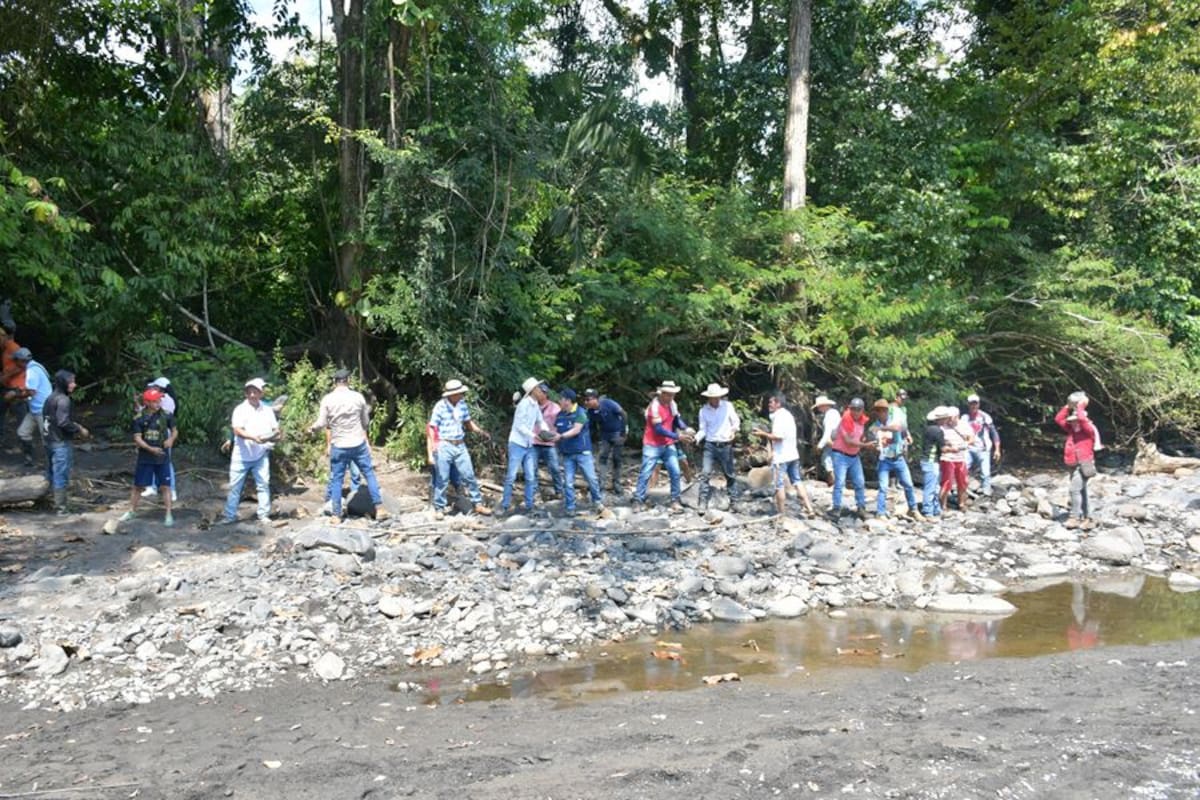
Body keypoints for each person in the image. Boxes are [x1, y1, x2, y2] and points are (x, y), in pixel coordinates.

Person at [309, 369, 389, 523]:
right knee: (369, 474)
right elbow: (365, 422)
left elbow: (322, 423)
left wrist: (312, 428)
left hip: (339, 444)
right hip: (358, 443)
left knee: (337, 479)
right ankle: (379, 508)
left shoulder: (327, 399)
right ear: (348, 381)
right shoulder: (358, 397)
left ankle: (336, 515)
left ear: (334, 382)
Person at [427, 378, 492, 520]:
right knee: (442, 478)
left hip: (460, 444)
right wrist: (432, 448)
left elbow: (468, 422)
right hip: (445, 444)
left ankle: (477, 503)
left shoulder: (462, 405)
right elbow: (432, 427)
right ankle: (439, 507)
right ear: (451, 395)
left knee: (469, 475)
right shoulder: (440, 406)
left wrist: (480, 431)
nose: (462, 395)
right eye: (459, 393)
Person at [217, 378, 278, 524]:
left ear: (261, 393)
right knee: (235, 487)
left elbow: (275, 429)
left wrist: (276, 436)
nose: (252, 395)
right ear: (246, 393)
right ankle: (230, 516)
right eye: (249, 392)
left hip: (261, 453)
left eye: (255, 392)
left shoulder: (267, 410)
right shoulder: (240, 409)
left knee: (263, 485)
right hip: (241, 455)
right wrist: (253, 437)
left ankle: (263, 515)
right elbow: (237, 430)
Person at [632, 380, 694, 512]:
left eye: (673, 394)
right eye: (669, 394)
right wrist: (678, 436)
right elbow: (658, 429)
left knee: (675, 471)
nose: (671, 397)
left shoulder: (672, 404)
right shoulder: (654, 407)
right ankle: (638, 500)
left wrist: (686, 428)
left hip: (668, 443)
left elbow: (676, 420)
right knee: (646, 472)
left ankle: (675, 500)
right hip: (652, 444)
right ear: (662, 393)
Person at [120, 387, 177, 527]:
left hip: (162, 456)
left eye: (159, 400)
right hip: (145, 456)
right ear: (147, 402)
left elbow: (175, 431)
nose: (158, 403)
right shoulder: (139, 418)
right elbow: (137, 438)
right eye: (155, 401)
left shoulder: (167, 415)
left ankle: (168, 513)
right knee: (138, 485)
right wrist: (150, 449)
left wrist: (171, 440)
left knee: (165, 486)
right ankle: (132, 511)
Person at [753, 392, 815, 517]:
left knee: (779, 485)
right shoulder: (788, 415)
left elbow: (778, 437)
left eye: (771, 402)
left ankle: (781, 514)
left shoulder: (779, 417)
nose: (769, 405)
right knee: (797, 481)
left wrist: (762, 434)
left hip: (782, 457)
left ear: (778, 403)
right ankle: (810, 509)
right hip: (793, 455)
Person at [500, 377, 550, 515]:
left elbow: (540, 420)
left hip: (528, 444)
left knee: (530, 476)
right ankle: (505, 505)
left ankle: (529, 505)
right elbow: (519, 426)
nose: (541, 391)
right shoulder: (523, 405)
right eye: (539, 389)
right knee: (511, 476)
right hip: (517, 443)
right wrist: (536, 435)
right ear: (533, 390)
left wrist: (545, 431)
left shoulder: (535, 405)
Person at [43, 370, 89, 514]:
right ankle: (61, 508)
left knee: (51, 472)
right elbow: (63, 422)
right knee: (61, 474)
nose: (74, 385)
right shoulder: (63, 400)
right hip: (60, 442)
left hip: (49, 440)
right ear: (63, 383)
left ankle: (49, 501)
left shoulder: (50, 398)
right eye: (71, 382)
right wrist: (79, 429)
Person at [554, 388, 604, 516]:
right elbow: (555, 430)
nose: (559, 401)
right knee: (568, 482)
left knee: (591, 479)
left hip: (583, 452)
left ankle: (597, 501)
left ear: (567, 401)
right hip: (567, 454)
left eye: (561, 399)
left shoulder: (581, 413)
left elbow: (576, 430)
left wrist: (560, 436)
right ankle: (570, 507)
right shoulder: (560, 415)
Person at [868, 398, 921, 520]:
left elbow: (898, 428)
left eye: (884, 410)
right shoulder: (873, 427)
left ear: (887, 411)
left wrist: (883, 429)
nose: (882, 413)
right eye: (879, 411)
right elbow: (872, 442)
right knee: (883, 487)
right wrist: (875, 446)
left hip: (898, 458)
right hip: (884, 459)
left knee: (908, 484)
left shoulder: (894, 420)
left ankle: (913, 509)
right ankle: (880, 512)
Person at [695, 383, 741, 511]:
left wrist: (733, 431)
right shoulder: (703, 411)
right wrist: (696, 438)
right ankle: (702, 502)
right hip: (710, 445)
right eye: (713, 397)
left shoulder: (728, 406)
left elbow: (736, 422)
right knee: (705, 473)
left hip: (725, 444)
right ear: (709, 398)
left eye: (717, 397)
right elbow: (703, 429)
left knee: (729, 474)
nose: (715, 399)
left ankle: (734, 501)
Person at [1057, 392, 1098, 530]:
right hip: (1073, 464)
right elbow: (1059, 419)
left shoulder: (1088, 430)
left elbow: (1082, 418)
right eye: (1072, 421)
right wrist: (1068, 406)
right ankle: (1088, 518)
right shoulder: (1072, 431)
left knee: (1074, 490)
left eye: (1076, 421)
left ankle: (1074, 518)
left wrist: (1080, 405)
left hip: (1084, 464)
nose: (1074, 423)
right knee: (1082, 491)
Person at [829, 397, 872, 520]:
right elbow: (848, 441)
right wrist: (865, 445)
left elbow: (859, 436)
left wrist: (865, 440)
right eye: (853, 409)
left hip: (854, 455)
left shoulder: (861, 422)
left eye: (858, 409)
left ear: (862, 410)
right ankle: (836, 508)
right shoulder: (845, 420)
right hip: (840, 454)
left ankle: (861, 508)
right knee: (840, 482)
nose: (855, 412)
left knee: (860, 482)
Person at [141, 377, 179, 502]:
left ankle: (171, 490)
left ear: (161, 388)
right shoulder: (156, 399)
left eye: (155, 387)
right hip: (152, 432)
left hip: (163, 433)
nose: (153, 388)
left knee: (165, 461)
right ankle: (151, 486)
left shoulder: (168, 401)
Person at [582, 388, 627, 496]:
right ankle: (601, 485)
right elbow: (592, 426)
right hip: (604, 436)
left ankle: (616, 484)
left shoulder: (608, 403)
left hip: (617, 433)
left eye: (588, 399)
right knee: (602, 459)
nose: (586, 402)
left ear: (595, 399)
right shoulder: (591, 411)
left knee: (617, 459)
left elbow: (623, 414)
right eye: (585, 399)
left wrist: (624, 432)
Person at [11, 348, 51, 468]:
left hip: (44, 409)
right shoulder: (36, 367)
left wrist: (15, 395)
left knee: (47, 438)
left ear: (21, 361)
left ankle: (51, 464)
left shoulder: (32, 371)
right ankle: (30, 459)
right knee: (23, 433)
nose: (15, 363)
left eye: (16, 361)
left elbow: (31, 392)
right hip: (35, 409)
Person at [532, 384, 566, 498]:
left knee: (554, 468)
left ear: (545, 394)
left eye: (541, 392)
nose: (538, 394)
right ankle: (535, 492)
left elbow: (562, 422)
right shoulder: (532, 406)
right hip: (534, 441)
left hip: (549, 443)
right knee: (533, 468)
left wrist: (559, 436)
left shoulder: (555, 407)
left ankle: (559, 491)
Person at [963, 393, 1001, 496]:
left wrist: (997, 449)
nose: (973, 406)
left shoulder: (985, 417)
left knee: (985, 473)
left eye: (975, 403)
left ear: (979, 404)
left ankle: (986, 493)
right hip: (968, 448)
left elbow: (994, 432)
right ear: (968, 404)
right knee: (963, 469)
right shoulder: (964, 418)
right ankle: (962, 490)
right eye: (971, 403)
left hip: (983, 449)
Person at [938, 407, 974, 512]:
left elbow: (972, 438)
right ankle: (943, 505)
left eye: (951, 417)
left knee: (963, 481)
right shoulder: (943, 426)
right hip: (947, 457)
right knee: (947, 481)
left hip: (960, 457)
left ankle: (961, 503)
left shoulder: (964, 425)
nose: (949, 419)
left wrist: (965, 444)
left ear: (957, 416)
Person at [920, 406, 950, 518]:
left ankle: (936, 510)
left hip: (927, 460)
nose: (947, 420)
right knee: (931, 488)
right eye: (945, 418)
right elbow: (943, 449)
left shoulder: (929, 428)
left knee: (935, 487)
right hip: (931, 461)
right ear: (940, 419)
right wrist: (957, 449)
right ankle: (928, 512)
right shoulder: (938, 431)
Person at [0, 323, 26, 445]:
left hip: (17, 388)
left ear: (3, 337)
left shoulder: (14, 347)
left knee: (21, 416)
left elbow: (23, 365)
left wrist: (6, 376)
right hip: (6, 386)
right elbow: (8, 367)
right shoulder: (4, 350)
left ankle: (26, 443)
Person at [812, 395, 840, 486]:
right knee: (833, 462)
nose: (818, 409)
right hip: (837, 441)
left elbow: (827, 433)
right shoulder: (834, 413)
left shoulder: (829, 415)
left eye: (819, 407)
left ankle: (834, 484)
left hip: (832, 441)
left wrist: (819, 446)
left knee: (827, 461)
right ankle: (835, 483)